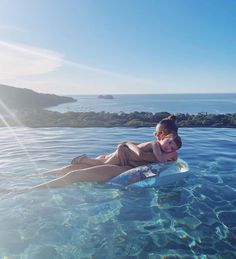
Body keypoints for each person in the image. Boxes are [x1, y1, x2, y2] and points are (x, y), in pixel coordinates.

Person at [3, 115, 181, 193]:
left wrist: (125, 146)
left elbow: (151, 158)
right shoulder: (156, 145)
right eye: (156, 133)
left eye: (159, 133)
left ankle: (20, 190)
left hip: (121, 169)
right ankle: (23, 176)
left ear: (168, 135)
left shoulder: (169, 153)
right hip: (116, 161)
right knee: (71, 167)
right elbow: (138, 148)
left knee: (74, 174)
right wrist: (123, 145)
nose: (155, 135)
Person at [70, 132, 182, 168]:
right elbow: (159, 159)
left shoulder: (155, 145)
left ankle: (97, 157)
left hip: (126, 152)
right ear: (163, 137)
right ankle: (83, 159)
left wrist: (172, 155)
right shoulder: (155, 144)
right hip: (125, 153)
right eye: (169, 143)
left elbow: (138, 145)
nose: (169, 148)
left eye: (172, 148)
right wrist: (173, 154)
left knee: (105, 159)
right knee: (103, 164)